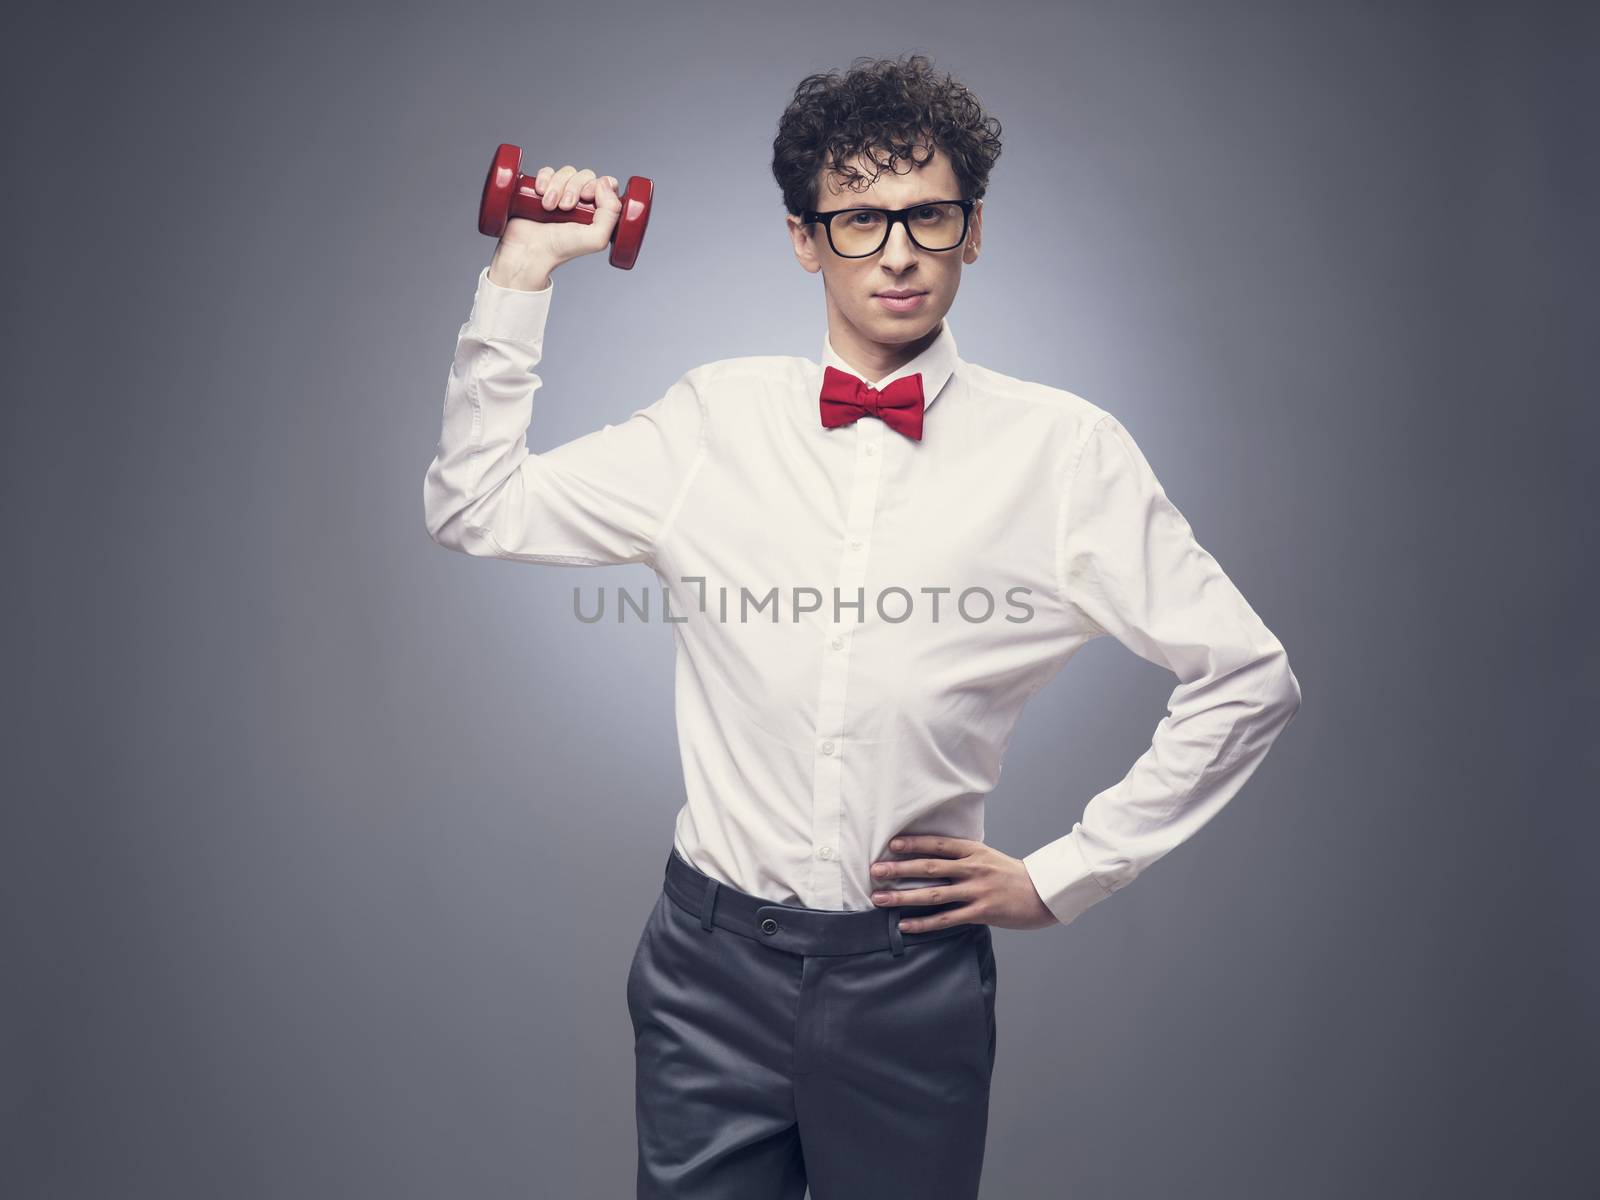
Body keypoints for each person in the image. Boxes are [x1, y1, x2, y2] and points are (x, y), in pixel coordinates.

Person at [423, 52, 1301, 1200]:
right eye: (857, 220)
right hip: (706, 970)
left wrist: (1066, 874)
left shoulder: (1064, 455)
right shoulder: (711, 420)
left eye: (927, 216)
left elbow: (1247, 677)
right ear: (804, 238)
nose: (895, 250)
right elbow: (472, 505)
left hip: (908, 986)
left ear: (972, 231)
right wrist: (524, 270)